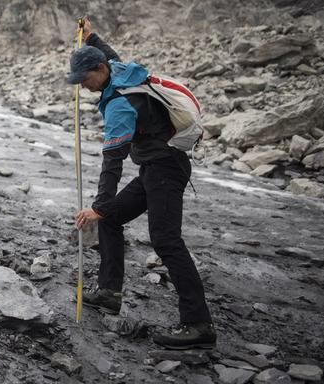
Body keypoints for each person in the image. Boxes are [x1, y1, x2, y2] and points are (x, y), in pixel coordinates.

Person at [68, 17, 216, 350]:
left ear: (101, 71)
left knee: (165, 240)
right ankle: (109, 292)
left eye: (85, 78)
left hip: (166, 168)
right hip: (154, 168)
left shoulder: (121, 104)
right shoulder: (120, 73)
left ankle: (199, 324)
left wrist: (98, 205)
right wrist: (91, 37)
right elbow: (109, 53)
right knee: (111, 221)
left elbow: (113, 162)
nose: (83, 86)